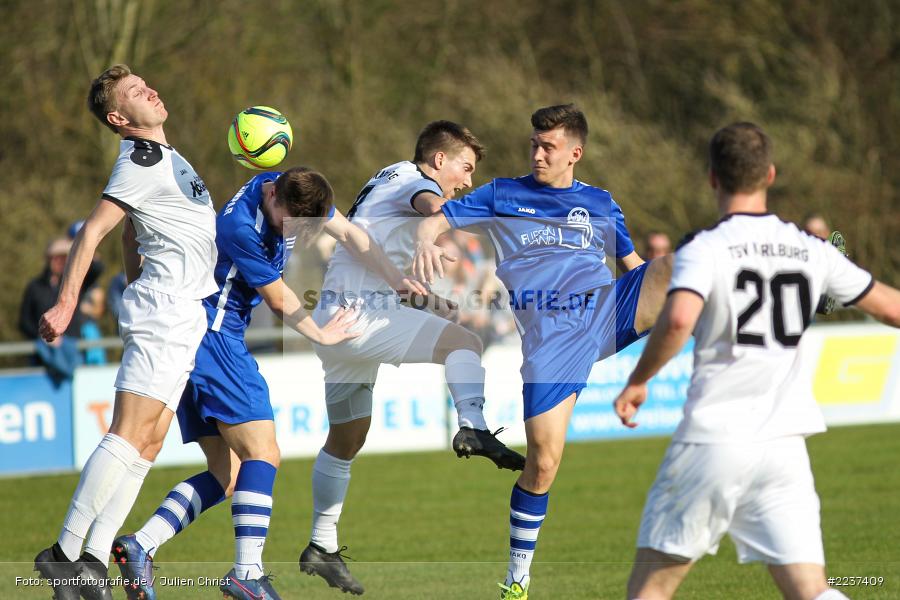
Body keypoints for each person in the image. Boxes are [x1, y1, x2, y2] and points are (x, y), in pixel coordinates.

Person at [613, 122, 900, 600]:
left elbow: (679, 318)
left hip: (715, 437)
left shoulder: (703, 248)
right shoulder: (811, 250)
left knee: (650, 591)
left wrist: (639, 380)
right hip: (785, 445)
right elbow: (891, 307)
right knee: (811, 591)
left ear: (712, 178)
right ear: (770, 174)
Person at [110, 166, 423, 600]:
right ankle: (247, 574)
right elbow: (278, 299)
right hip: (213, 337)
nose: (299, 235)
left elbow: (351, 234)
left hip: (196, 338)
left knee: (228, 474)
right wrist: (323, 332)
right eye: (291, 225)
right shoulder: (239, 228)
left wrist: (396, 279)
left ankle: (139, 545)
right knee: (264, 452)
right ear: (273, 197)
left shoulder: (297, 189)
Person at [413, 104, 674, 599]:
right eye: (534, 143)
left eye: (548, 146)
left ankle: (806, 286)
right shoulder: (503, 194)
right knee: (544, 464)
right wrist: (427, 239)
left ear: (575, 153)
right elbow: (436, 219)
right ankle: (517, 580)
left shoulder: (600, 202)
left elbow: (636, 266)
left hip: (604, 313)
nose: (537, 153)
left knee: (680, 266)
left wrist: (670, 300)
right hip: (551, 340)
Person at [299, 120, 526, 595]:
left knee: (345, 441)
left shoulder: (388, 177)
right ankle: (474, 426)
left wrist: (426, 302)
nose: (467, 180)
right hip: (360, 321)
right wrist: (445, 222)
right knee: (465, 344)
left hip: (339, 320)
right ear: (439, 159)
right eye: (465, 168)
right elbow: (432, 204)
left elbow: (379, 257)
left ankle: (320, 545)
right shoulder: (415, 182)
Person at [33, 64, 219, 600]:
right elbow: (93, 231)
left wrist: (136, 283)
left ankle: (94, 556)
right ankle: (64, 555)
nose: (151, 89)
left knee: (149, 442)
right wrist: (67, 306)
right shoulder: (141, 159)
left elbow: (133, 232)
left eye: (147, 82)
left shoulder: (166, 158)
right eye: (136, 92)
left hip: (180, 312)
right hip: (166, 311)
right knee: (127, 433)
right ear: (119, 118)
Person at [19, 238, 101, 382]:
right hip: (42, 357)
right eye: (56, 257)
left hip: (72, 348)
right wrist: (43, 336)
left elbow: (97, 268)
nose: (60, 261)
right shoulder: (35, 287)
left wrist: (82, 249)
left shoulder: (75, 285)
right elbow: (24, 321)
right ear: (48, 259)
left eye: (65, 257)